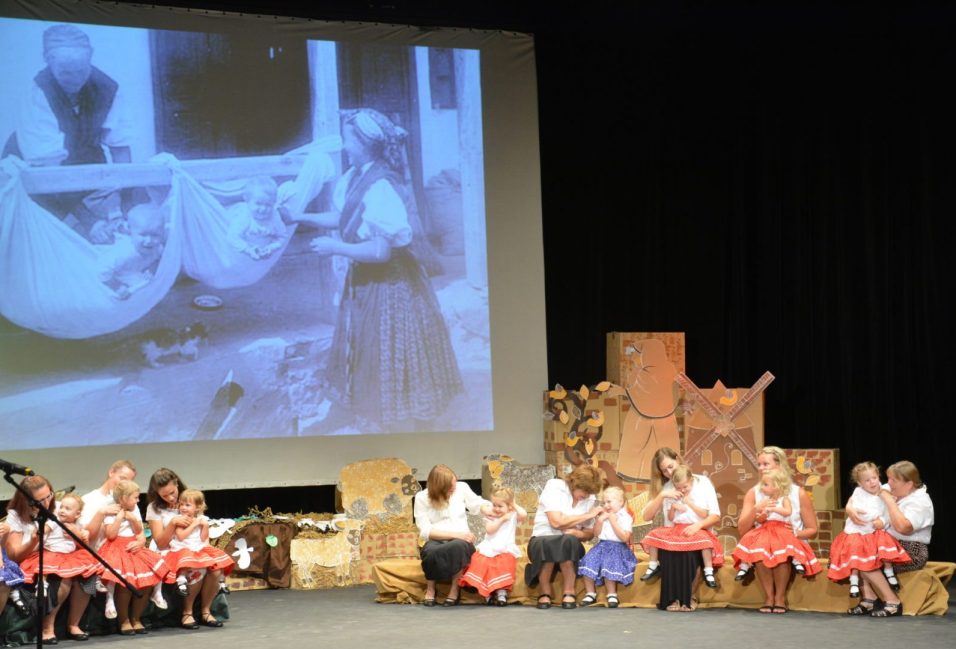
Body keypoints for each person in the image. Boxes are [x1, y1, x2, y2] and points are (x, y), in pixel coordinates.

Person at [292, 108, 462, 430]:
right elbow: (342, 216)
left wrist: (335, 248)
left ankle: (409, 427)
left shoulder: (381, 185)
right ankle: (363, 411)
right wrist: (300, 218)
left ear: (364, 144)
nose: (344, 146)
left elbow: (381, 251)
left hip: (392, 283)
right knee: (363, 342)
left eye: (347, 140)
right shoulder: (355, 176)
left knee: (394, 349)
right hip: (364, 275)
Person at [4, 23, 133, 243]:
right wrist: (89, 221)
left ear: (91, 57)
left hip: (82, 162)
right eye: (65, 73)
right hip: (35, 171)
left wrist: (128, 203)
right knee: (59, 236)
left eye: (81, 71)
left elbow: (120, 148)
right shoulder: (37, 94)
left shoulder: (108, 87)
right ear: (48, 60)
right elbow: (47, 174)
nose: (75, 79)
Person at [4, 475, 92, 643]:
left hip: (64, 555)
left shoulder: (60, 507)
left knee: (89, 574)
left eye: (49, 496)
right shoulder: (16, 516)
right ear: (27, 501)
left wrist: (79, 534)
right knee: (64, 577)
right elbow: (15, 556)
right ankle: (47, 628)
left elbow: (82, 539)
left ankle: (74, 624)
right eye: (40, 500)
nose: (46, 502)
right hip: (33, 558)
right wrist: (34, 540)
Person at [736, 445, 819, 614]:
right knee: (763, 544)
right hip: (763, 539)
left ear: (779, 465)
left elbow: (812, 529)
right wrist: (756, 509)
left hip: (790, 540)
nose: (761, 468)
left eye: (765, 464)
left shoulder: (798, 493)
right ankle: (769, 597)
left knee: (779, 544)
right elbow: (742, 529)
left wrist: (795, 533)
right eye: (759, 464)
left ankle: (780, 597)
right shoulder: (754, 493)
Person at [145, 468, 228, 629]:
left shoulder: (188, 499)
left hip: (194, 546)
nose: (171, 498)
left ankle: (205, 610)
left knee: (215, 568)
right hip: (170, 549)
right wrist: (172, 524)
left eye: (172, 492)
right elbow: (161, 543)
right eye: (164, 495)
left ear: (177, 483)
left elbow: (202, 529)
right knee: (195, 567)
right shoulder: (154, 508)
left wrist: (204, 542)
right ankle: (187, 612)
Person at [639, 453, 721, 612]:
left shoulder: (702, 482)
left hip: (697, 531)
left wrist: (697, 526)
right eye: (664, 471)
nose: (669, 473)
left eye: (670, 466)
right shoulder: (667, 487)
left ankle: (688, 596)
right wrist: (662, 495)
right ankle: (673, 597)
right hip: (674, 533)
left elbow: (714, 515)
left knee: (689, 554)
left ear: (677, 460)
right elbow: (647, 516)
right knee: (668, 551)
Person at [852, 460, 934, 618]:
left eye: (893, 480)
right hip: (886, 545)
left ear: (909, 484)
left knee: (864, 557)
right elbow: (858, 493)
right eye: (888, 478)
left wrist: (888, 500)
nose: (888, 483)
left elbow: (903, 527)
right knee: (854, 549)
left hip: (910, 550)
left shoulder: (920, 502)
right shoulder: (893, 490)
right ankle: (869, 598)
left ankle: (893, 602)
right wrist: (850, 508)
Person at [525, 464, 604, 610]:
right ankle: (544, 591)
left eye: (590, 492)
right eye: (585, 491)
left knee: (568, 540)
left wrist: (578, 533)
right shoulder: (555, 487)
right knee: (547, 542)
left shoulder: (590, 498)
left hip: (570, 544)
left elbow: (590, 533)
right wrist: (586, 515)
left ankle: (569, 591)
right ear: (574, 483)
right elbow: (556, 522)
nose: (587, 495)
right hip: (541, 540)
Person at [827, 462, 910, 599]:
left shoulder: (885, 491)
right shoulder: (858, 492)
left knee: (883, 541)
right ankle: (854, 581)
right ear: (860, 483)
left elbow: (888, 512)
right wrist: (852, 509)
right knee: (855, 547)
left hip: (874, 530)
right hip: (858, 530)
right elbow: (854, 507)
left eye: (874, 478)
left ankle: (889, 572)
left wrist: (882, 521)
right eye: (867, 480)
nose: (872, 482)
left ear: (878, 477)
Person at [98, 480, 169, 635]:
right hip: (117, 548)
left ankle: (136, 618)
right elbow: (110, 535)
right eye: (135, 497)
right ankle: (123, 620)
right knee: (126, 582)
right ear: (123, 498)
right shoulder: (112, 509)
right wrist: (119, 518)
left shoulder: (134, 509)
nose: (138, 500)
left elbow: (139, 531)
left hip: (133, 545)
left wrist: (133, 521)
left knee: (148, 578)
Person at [413, 465, 489, 606]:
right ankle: (431, 589)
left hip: (461, 541)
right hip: (437, 539)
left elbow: (477, 504)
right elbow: (425, 531)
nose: (454, 489)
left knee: (458, 546)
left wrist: (489, 509)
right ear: (438, 488)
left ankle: (455, 589)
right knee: (429, 551)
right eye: (450, 487)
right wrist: (456, 534)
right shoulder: (421, 497)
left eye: (454, 484)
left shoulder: (462, 488)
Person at [166, 489, 234, 609]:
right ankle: (181, 580)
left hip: (197, 547)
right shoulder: (180, 519)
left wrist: (205, 526)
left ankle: (221, 582)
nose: (183, 507)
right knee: (187, 558)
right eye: (181, 504)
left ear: (197, 508)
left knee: (217, 559)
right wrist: (194, 524)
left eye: (187, 505)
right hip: (183, 547)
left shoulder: (201, 519)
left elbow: (203, 538)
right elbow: (181, 536)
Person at [458, 487, 526, 606]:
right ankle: (487, 594)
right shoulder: (491, 515)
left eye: (500, 506)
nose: (496, 509)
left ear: (509, 506)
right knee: (480, 561)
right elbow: (489, 530)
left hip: (505, 548)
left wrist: (513, 504)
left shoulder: (513, 515)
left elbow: (523, 514)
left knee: (504, 563)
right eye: (494, 505)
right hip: (489, 547)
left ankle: (501, 594)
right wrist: (501, 519)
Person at [18, 494, 101, 589]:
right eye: (61, 507)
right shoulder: (55, 521)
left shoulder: (78, 525)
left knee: (86, 558)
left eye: (67, 509)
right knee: (45, 564)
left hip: (68, 555)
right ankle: (42, 583)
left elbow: (84, 542)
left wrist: (83, 533)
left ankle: (97, 580)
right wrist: (39, 531)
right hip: (51, 552)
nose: (62, 510)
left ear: (77, 514)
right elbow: (45, 529)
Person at [577, 486, 637, 608]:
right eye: (604, 502)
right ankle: (590, 593)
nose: (606, 505)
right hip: (602, 545)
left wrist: (613, 521)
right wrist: (599, 521)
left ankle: (612, 594)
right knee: (588, 561)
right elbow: (596, 534)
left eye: (609, 502)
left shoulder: (625, 517)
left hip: (618, 548)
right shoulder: (604, 516)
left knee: (609, 563)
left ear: (620, 502)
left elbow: (624, 538)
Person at [97, 202, 166, 299]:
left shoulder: (158, 247)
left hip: (135, 273)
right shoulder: (122, 252)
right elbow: (101, 270)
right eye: (143, 235)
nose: (149, 241)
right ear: (130, 231)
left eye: (155, 235)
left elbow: (158, 259)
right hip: (116, 276)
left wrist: (151, 269)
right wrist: (116, 286)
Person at [227, 176, 287, 260]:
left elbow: (282, 236)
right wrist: (248, 250)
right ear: (247, 200)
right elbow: (232, 237)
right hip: (238, 254)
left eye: (268, 205)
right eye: (258, 204)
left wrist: (272, 247)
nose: (263, 209)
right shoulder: (244, 216)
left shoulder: (274, 216)